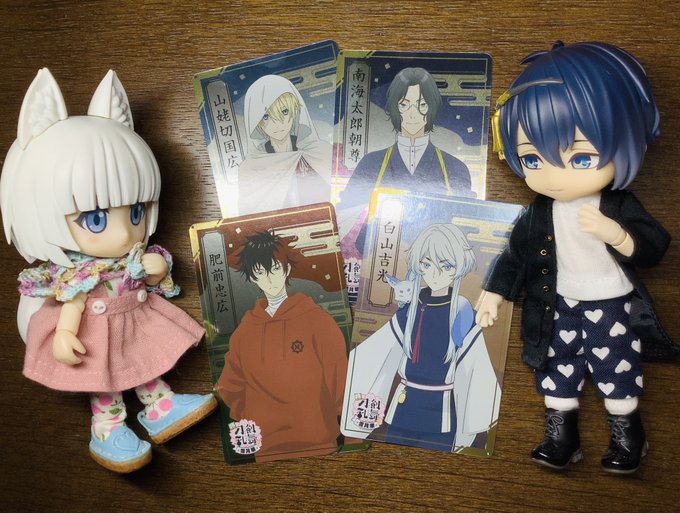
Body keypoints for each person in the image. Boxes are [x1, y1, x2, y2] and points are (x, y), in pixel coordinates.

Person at [476, 42, 679, 474]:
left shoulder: (618, 205)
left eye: (580, 157)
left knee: (616, 366)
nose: (554, 174)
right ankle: (560, 436)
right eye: (532, 158)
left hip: (610, 302)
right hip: (557, 304)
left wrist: (617, 235)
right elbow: (516, 256)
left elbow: (655, 245)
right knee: (557, 367)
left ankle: (628, 437)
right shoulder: (539, 213)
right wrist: (495, 293)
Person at [0, 69, 216, 473]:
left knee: (145, 364)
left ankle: (160, 406)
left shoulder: (129, 256)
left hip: (134, 322)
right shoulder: (78, 274)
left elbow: (151, 279)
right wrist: (64, 333)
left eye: (135, 212)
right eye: (96, 219)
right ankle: (107, 428)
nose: (124, 233)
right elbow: (73, 300)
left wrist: (155, 270)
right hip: (95, 333)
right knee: (104, 382)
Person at [342, 223, 500, 451]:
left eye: (446, 266)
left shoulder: (462, 311)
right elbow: (378, 354)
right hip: (402, 409)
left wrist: (468, 428)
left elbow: (473, 370)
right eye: (427, 264)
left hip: (441, 416)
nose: (435, 274)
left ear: (459, 267)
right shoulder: (410, 308)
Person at [216, 231, 349, 461]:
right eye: (260, 272)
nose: (270, 278)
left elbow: (340, 379)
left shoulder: (317, 321)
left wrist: (353, 435)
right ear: (253, 278)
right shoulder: (243, 333)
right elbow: (228, 386)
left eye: (275, 268)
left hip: (319, 444)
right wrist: (253, 416)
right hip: (266, 449)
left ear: (286, 269)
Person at [337, 67, 475, 248]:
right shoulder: (371, 163)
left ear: (432, 108)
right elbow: (344, 216)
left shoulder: (455, 169)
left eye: (421, 105)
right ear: (394, 108)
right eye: (404, 105)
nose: (412, 114)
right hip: (379, 256)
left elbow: (466, 226)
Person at [238, 75, 332, 215]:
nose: (278, 123)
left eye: (285, 112)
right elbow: (248, 217)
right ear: (256, 122)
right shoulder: (252, 167)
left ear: (295, 112)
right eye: (266, 116)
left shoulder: (320, 152)